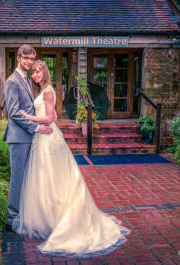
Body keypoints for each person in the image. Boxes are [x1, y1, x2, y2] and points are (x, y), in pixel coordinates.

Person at [13, 59, 131, 258]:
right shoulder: (41, 90)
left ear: (45, 73)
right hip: (41, 137)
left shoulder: (48, 90)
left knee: (53, 179)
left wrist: (28, 116)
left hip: (49, 140)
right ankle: (49, 220)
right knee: (44, 181)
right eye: (33, 72)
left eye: (38, 72)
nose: (35, 75)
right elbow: (56, 117)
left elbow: (50, 118)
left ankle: (61, 221)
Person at [3, 45, 53, 232]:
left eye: (32, 59)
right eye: (26, 58)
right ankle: (12, 219)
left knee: (27, 178)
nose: (29, 62)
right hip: (18, 138)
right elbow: (14, 113)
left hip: (28, 137)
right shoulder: (12, 81)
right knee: (18, 178)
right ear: (18, 58)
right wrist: (36, 127)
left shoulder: (25, 79)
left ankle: (23, 213)